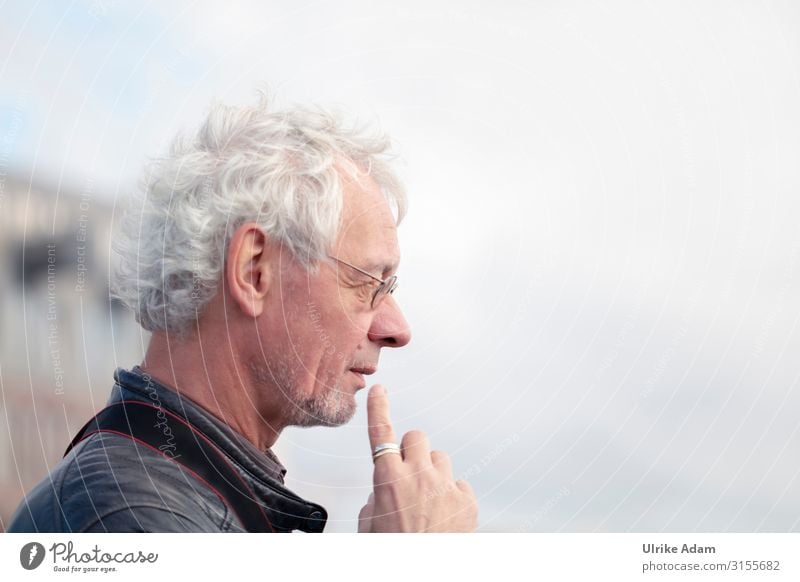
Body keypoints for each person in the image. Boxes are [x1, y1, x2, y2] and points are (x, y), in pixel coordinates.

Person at [8, 96, 478, 533]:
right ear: (254, 271)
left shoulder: (163, 500)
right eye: (369, 282)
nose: (397, 329)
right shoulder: (131, 519)